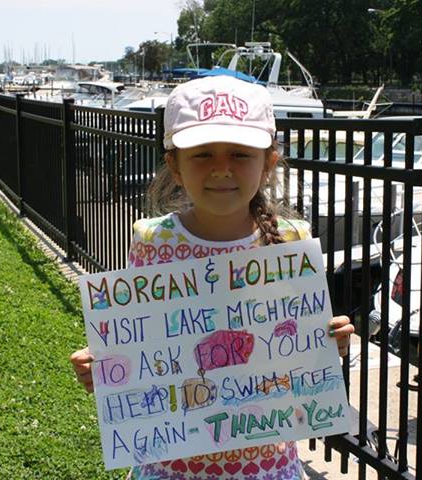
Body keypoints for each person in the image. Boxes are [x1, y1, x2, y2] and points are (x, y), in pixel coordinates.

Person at [70, 75, 354, 480]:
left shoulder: (294, 242)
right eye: (202, 154)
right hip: (170, 465)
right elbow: (141, 341)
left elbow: (299, 346)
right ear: (175, 166)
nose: (222, 168)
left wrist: (331, 343)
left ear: (269, 162)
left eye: (240, 154)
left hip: (266, 467)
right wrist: (106, 368)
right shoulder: (153, 241)